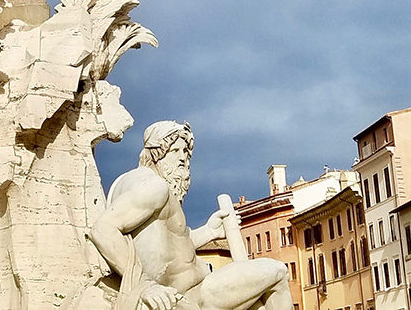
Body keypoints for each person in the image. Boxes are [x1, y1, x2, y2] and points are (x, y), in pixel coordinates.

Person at [89, 121, 289, 310]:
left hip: (194, 288)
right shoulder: (154, 187)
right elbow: (102, 230)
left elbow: (167, 246)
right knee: (278, 271)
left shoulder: (131, 183)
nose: (184, 159)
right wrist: (145, 285)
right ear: (158, 153)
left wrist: (209, 232)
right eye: (176, 151)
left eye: (186, 152)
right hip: (196, 294)